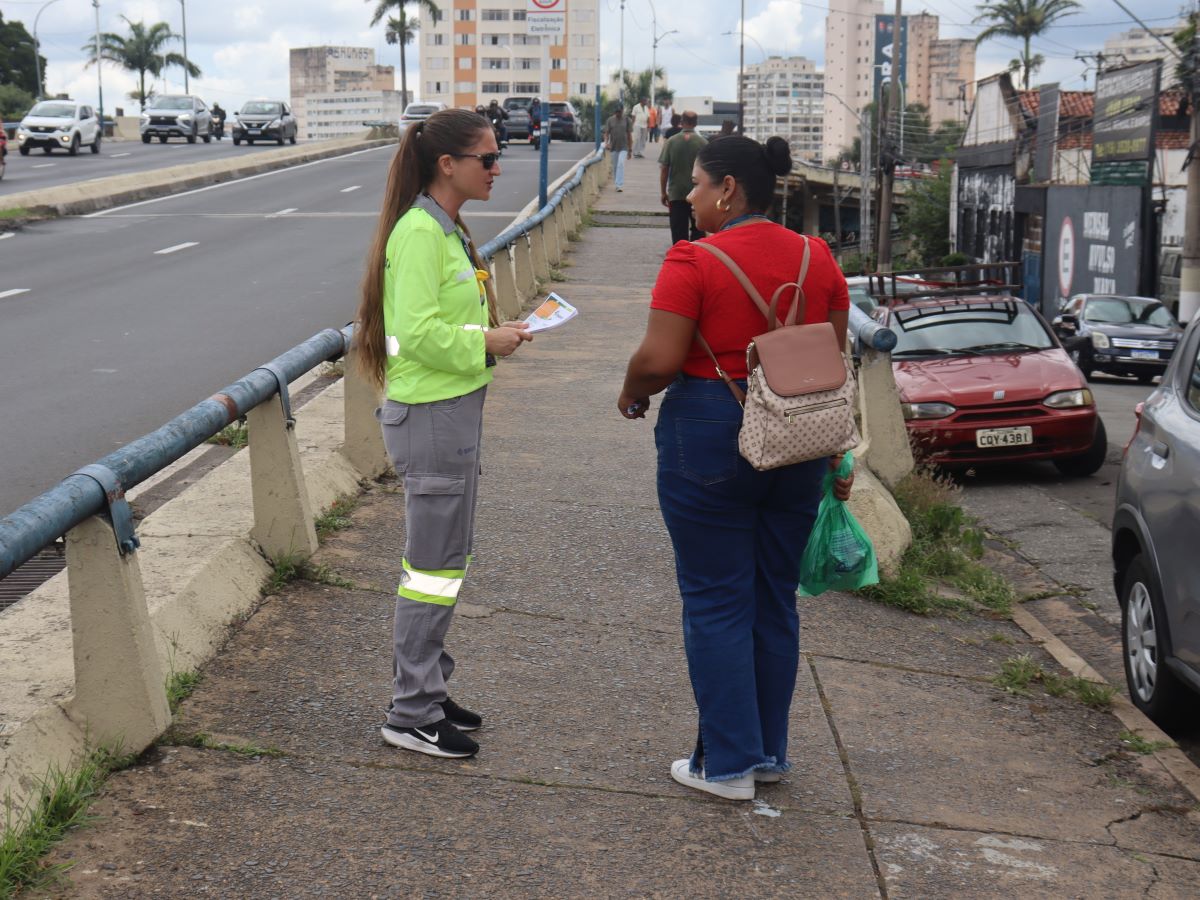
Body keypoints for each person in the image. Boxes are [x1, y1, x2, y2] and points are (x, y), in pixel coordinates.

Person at [617, 134, 853, 801]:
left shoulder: (692, 259)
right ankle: (768, 755)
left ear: (728, 190)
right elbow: (829, 362)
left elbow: (660, 361)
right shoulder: (818, 257)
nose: (687, 196)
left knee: (716, 598)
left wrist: (631, 392)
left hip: (711, 431)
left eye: (695, 183)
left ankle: (724, 766)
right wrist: (839, 451)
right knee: (773, 598)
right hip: (799, 436)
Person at [354, 108, 533, 759]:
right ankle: (410, 712)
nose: (496, 167)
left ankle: (427, 687)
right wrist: (487, 339)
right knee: (428, 569)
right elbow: (414, 334)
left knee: (446, 562)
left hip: (452, 411)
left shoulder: (445, 228)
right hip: (431, 417)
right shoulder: (421, 234)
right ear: (447, 165)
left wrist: (491, 334)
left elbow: (440, 320)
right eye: (487, 158)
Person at [658, 111, 707, 244]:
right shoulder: (703, 143)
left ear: (681, 122)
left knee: (679, 233)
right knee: (698, 230)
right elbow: (709, 172)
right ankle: (696, 259)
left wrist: (663, 192)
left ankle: (681, 259)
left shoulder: (671, 142)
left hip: (676, 194)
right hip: (698, 195)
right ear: (696, 123)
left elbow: (664, 170)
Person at [603, 104, 633, 192]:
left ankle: (619, 184)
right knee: (615, 166)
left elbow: (629, 135)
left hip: (624, 146)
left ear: (622, 111)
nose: (618, 113)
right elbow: (606, 133)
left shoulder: (627, 120)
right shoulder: (610, 120)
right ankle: (617, 184)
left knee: (620, 164)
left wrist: (630, 150)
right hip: (613, 146)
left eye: (619, 112)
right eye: (616, 112)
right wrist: (606, 143)